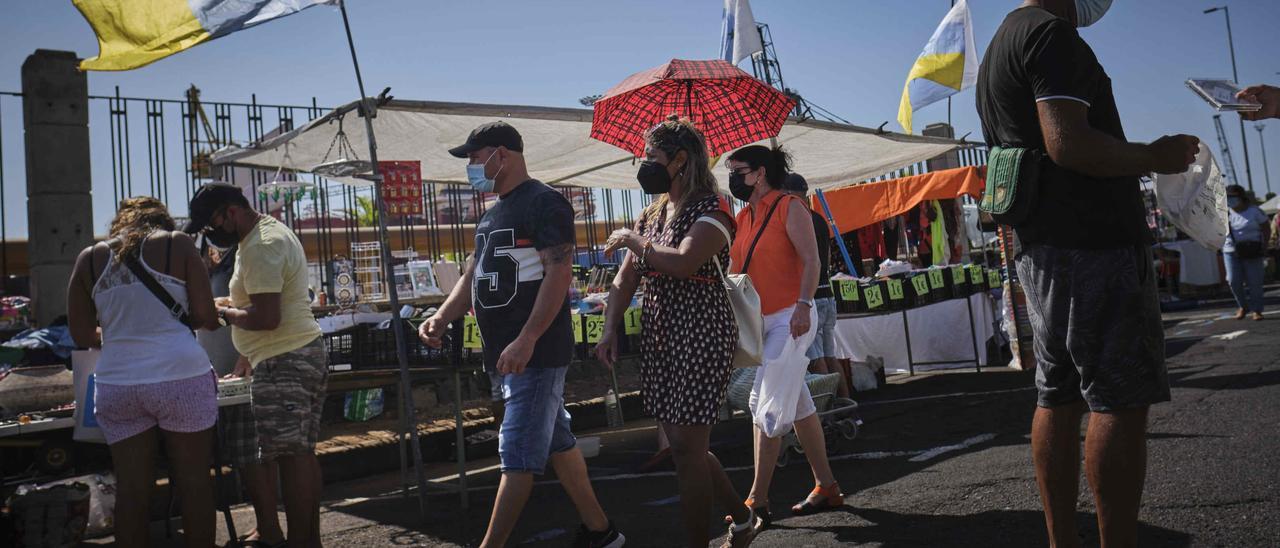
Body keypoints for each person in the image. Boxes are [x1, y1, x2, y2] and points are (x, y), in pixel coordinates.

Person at [975, 1, 1199, 546]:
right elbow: (1068, 142)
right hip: (1091, 241)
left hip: (1041, 243)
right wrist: (1156, 154)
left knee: (1058, 393)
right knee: (1118, 397)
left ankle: (1062, 540)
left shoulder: (1002, 41)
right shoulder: (1052, 36)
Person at [417, 121, 624, 548]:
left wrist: (527, 338)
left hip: (536, 354)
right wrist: (441, 316)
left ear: (501, 155)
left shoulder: (544, 203)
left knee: (516, 457)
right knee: (556, 443)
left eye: (475, 158)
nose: (471, 167)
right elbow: (473, 273)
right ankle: (602, 532)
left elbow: (559, 271)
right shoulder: (492, 214)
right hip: (509, 355)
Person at [595, 115, 760, 547]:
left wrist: (634, 240)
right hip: (662, 332)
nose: (645, 165)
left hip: (702, 330)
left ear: (681, 160)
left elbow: (685, 262)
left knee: (687, 449)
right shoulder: (651, 213)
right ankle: (742, 521)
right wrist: (609, 328)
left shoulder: (714, 206)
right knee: (686, 447)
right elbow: (626, 279)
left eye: (653, 157)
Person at [66, 197, 219, 548]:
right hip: (181, 377)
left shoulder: (89, 259)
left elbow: (81, 335)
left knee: (132, 490)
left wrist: (124, 330)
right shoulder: (177, 244)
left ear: (120, 223)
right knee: (194, 482)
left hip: (118, 384)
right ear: (162, 221)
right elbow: (207, 317)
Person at [184, 182, 327, 548]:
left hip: (283, 358)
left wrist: (227, 315)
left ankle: (300, 541)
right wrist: (227, 303)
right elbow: (261, 300)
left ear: (231, 212)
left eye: (212, 224)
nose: (211, 234)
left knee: (290, 457)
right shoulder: (266, 234)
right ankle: (309, 541)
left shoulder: (260, 246)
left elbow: (266, 317)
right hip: (296, 352)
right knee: (301, 453)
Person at [725, 144, 844, 524]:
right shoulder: (744, 217)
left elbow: (812, 260)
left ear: (760, 172)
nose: (732, 178)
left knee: (766, 403)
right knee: (798, 404)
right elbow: (734, 270)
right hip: (764, 322)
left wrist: (804, 306)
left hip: (792, 317)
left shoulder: (790, 207)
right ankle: (826, 485)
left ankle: (756, 499)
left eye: (737, 170)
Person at [197, 244, 285, 548]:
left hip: (241, 372)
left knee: (252, 454)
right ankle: (266, 526)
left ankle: (269, 528)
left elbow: (263, 312)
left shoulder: (241, 264)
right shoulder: (208, 271)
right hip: (218, 374)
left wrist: (248, 355)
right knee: (245, 454)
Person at [781, 173, 848, 400]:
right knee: (831, 356)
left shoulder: (798, 218)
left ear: (789, 193)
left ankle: (827, 410)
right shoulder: (818, 219)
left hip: (812, 299)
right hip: (827, 294)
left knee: (816, 358)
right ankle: (847, 403)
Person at [1223, 184, 1270, 321]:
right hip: (1230, 251)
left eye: (1232, 197)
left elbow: (1266, 228)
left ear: (1241, 197)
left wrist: (1265, 246)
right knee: (1233, 281)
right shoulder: (1225, 213)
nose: (1229, 200)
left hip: (1253, 250)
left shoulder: (1255, 211)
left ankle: (1257, 309)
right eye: (1227, 197)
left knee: (1255, 282)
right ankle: (1243, 306)